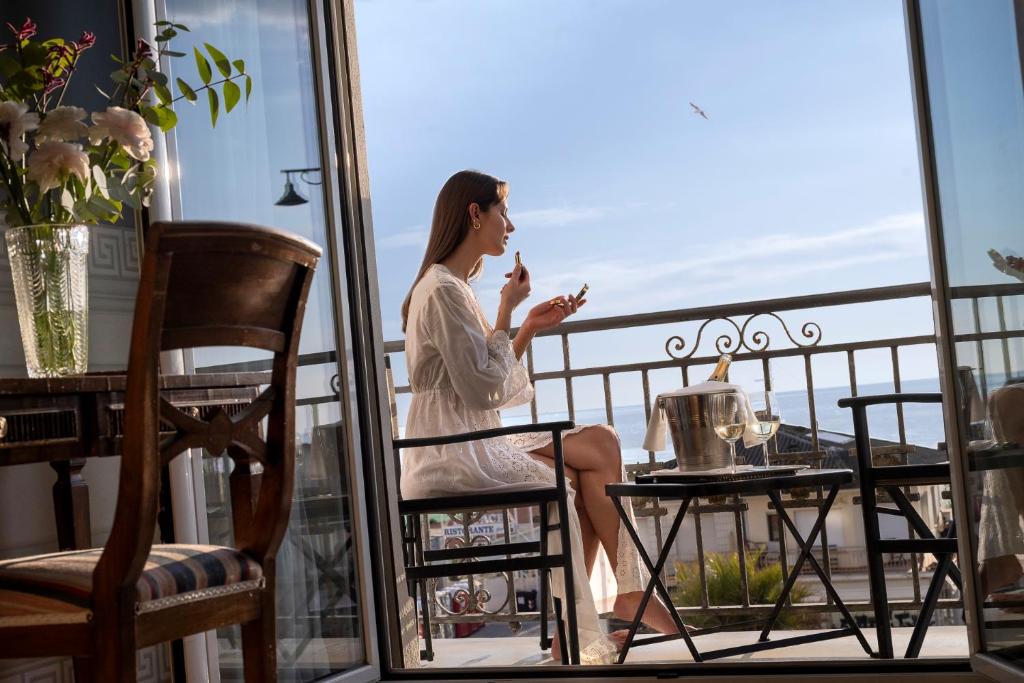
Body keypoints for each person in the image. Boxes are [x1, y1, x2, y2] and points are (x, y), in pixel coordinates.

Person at [399, 170, 680, 663]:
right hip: (451, 452)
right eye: (502, 210)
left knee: (597, 451)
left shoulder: (454, 288)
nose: (510, 224)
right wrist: (513, 317)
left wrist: (521, 320)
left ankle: (597, 613)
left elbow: (489, 384)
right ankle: (612, 604)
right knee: (592, 457)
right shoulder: (443, 290)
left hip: (470, 437)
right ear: (474, 213)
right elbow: (485, 390)